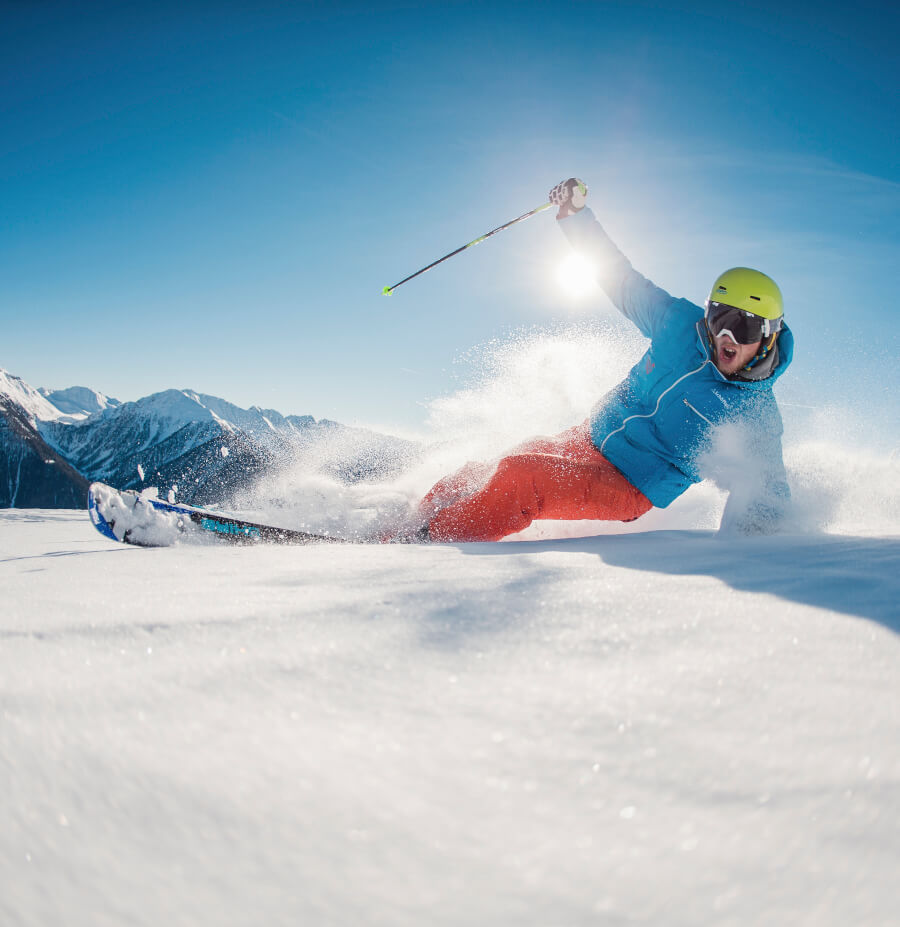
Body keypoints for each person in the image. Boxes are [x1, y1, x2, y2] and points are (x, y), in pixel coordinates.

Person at [411, 177, 794, 542]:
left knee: (520, 476)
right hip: (591, 434)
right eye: (719, 319)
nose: (725, 336)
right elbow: (619, 278)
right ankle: (409, 519)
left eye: (742, 329)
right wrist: (574, 216)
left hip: (630, 483)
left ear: (767, 336)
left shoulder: (754, 410)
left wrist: (768, 547)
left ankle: (423, 544)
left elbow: (769, 493)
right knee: (489, 467)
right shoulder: (679, 324)